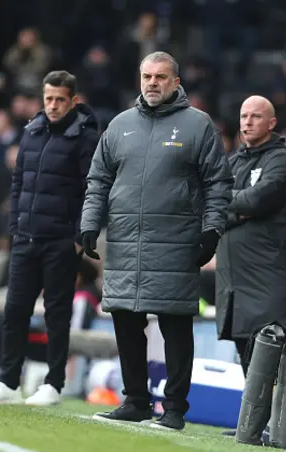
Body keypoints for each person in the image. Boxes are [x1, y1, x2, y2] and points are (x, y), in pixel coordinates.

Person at [79, 51, 233, 431]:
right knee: (126, 322)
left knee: (175, 324)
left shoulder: (198, 126)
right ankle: (135, 401)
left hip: (176, 242)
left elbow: (218, 183)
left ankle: (176, 408)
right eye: (146, 76)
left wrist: (212, 230)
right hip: (125, 241)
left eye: (161, 77)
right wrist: (88, 225)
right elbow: (98, 180)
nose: (152, 83)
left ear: (176, 82)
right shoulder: (119, 125)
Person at [0, 70, 100, 406]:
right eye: (49, 99)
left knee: (56, 314)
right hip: (26, 238)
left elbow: (94, 188)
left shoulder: (86, 138)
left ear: (74, 101)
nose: (54, 106)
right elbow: (18, 185)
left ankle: (53, 384)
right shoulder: (31, 131)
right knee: (15, 310)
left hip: (60, 241)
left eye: (61, 99)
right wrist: (14, 227)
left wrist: (76, 238)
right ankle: (8, 381)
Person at [215, 95, 286, 377]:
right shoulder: (233, 160)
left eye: (256, 116)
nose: (248, 122)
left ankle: (268, 423)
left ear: (272, 123)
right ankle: (251, 422)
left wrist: (235, 206)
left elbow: (254, 201)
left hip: (266, 279)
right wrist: (237, 210)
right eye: (243, 116)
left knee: (269, 362)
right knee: (245, 357)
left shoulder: (280, 162)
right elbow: (209, 204)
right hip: (235, 282)